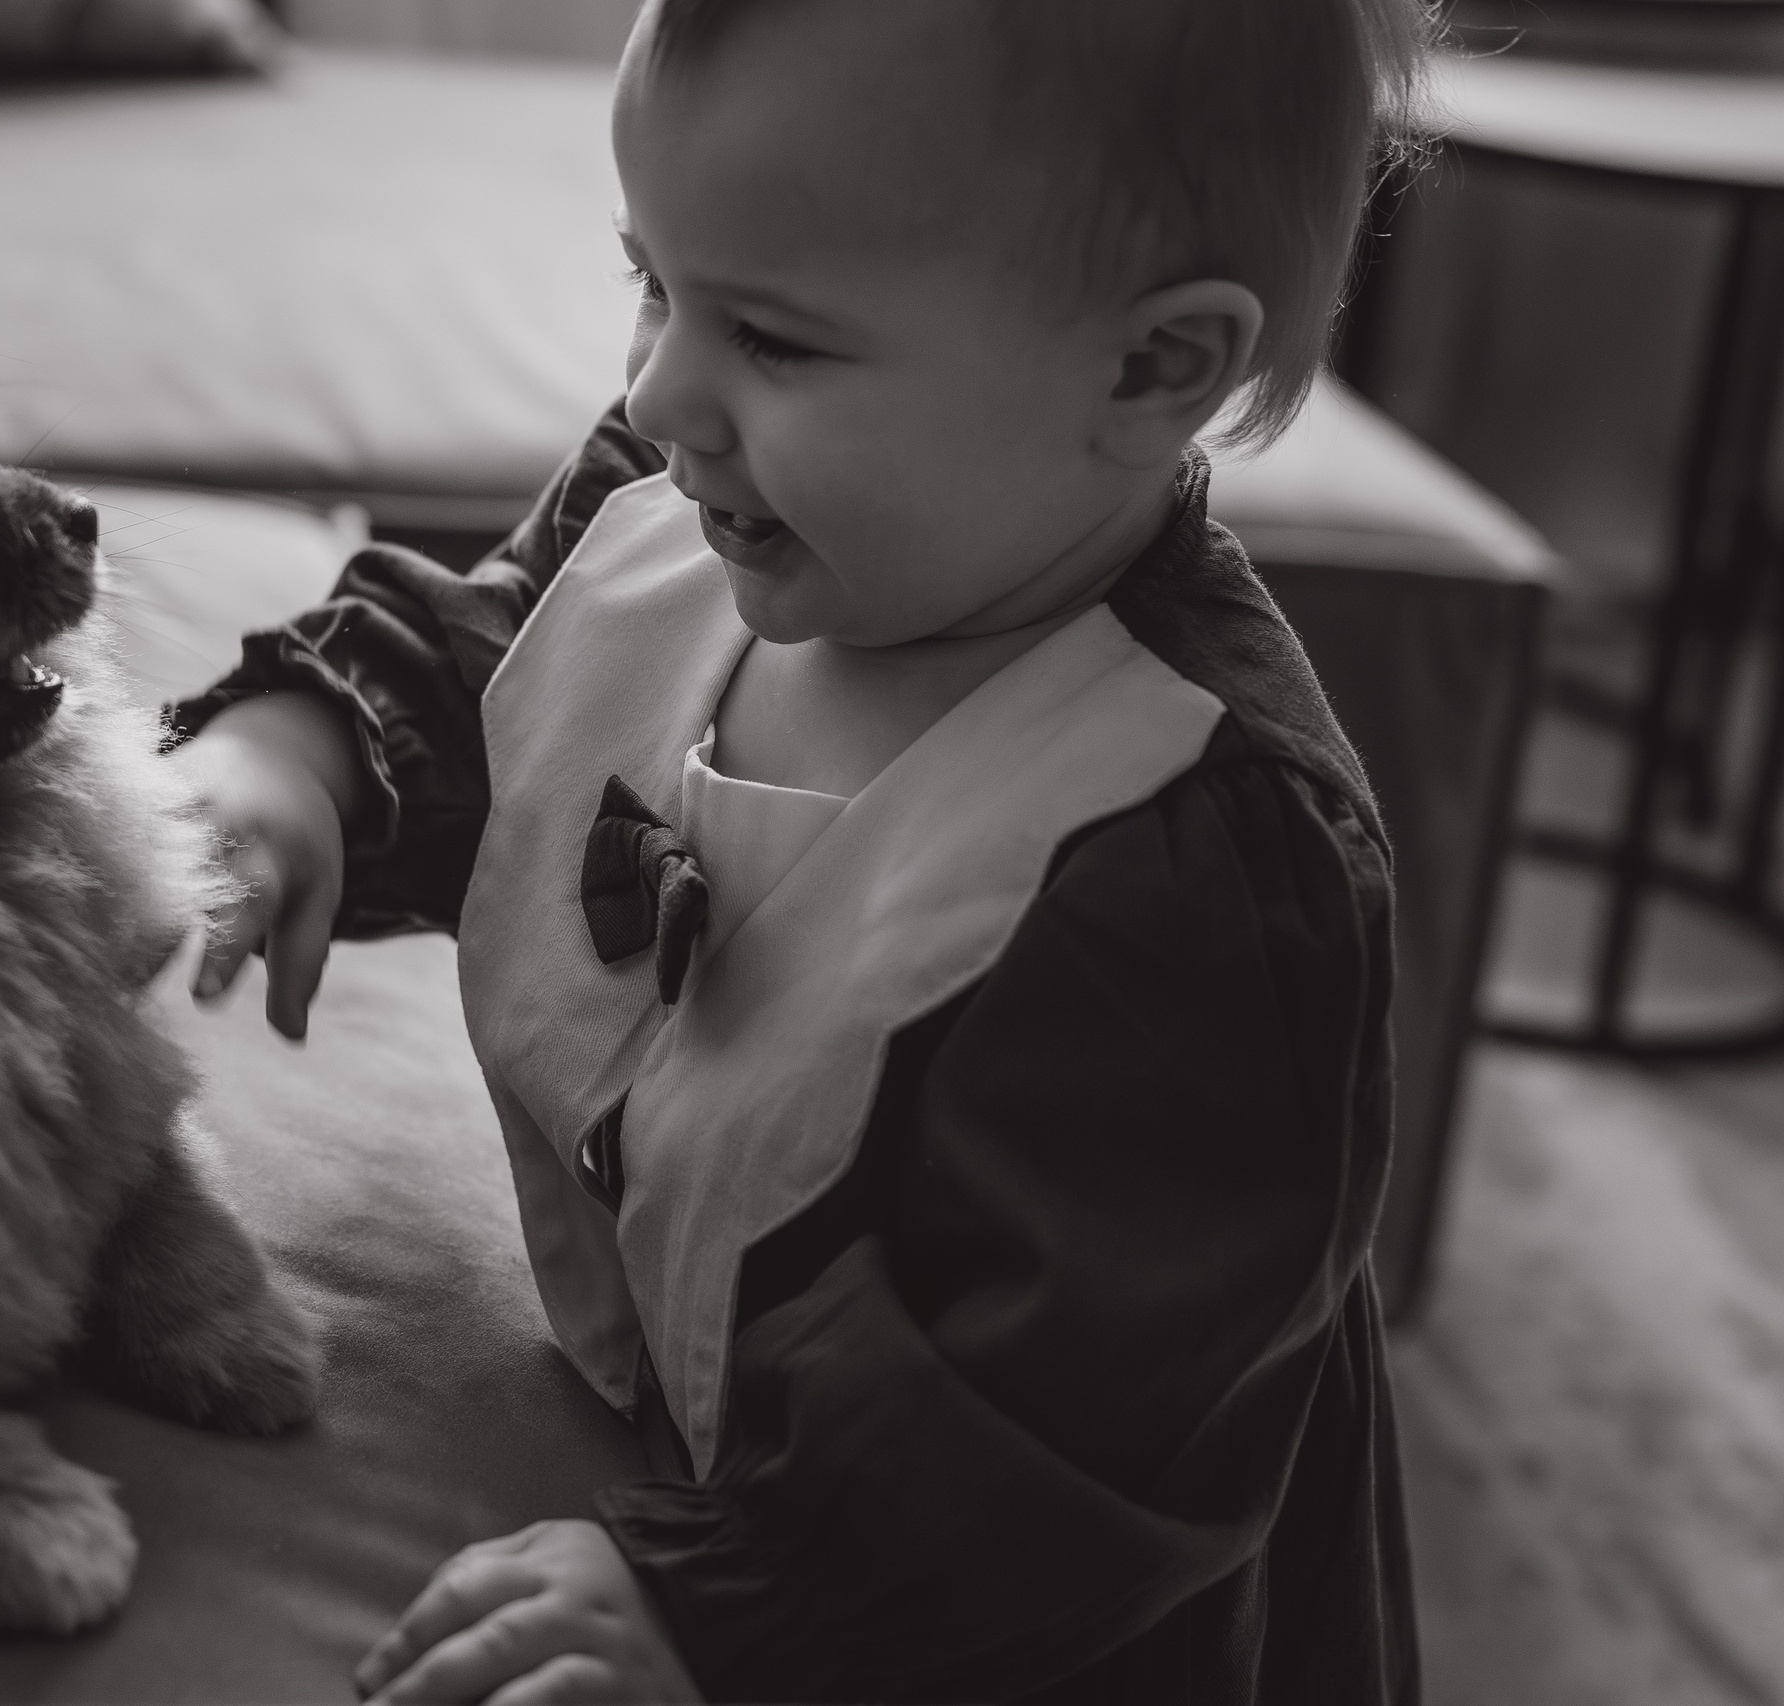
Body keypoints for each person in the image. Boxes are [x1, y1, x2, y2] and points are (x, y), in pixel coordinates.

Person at [165, 0, 1429, 1698]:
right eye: (653, 282)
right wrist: (304, 752)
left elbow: (1053, 1443)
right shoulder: (683, 498)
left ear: (1151, 369)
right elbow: (501, 661)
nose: (658, 388)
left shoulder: (1197, 868)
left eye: (774, 339)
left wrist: (727, 1605)